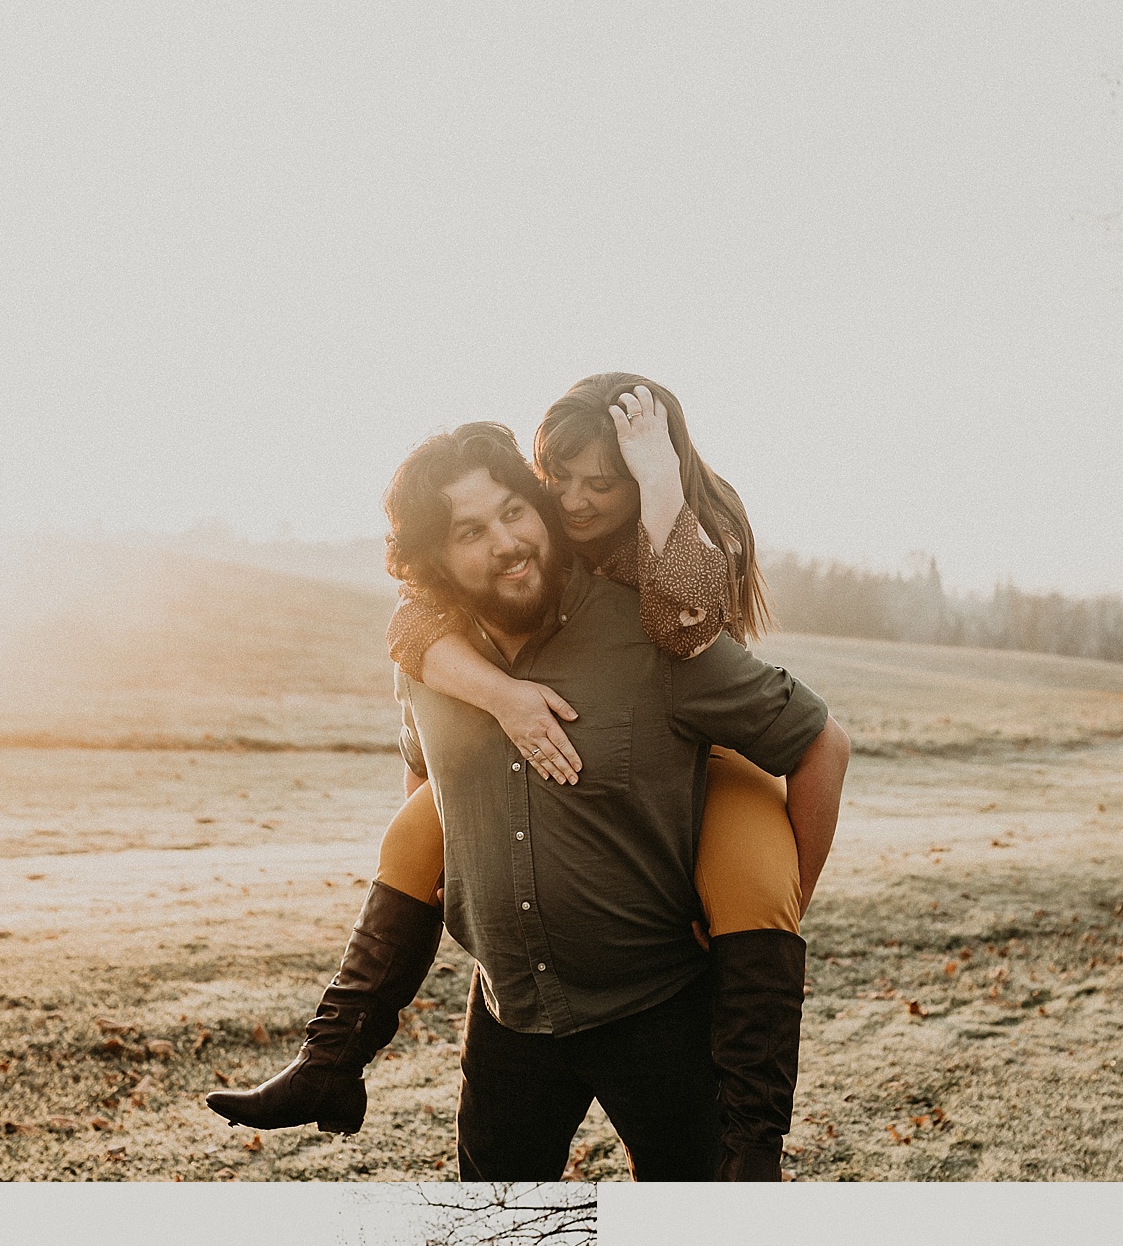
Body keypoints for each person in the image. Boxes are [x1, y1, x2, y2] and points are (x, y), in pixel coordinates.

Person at [207, 374, 848, 1177]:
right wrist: (491, 743)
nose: (521, 533)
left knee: (703, 1209)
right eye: (471, 531)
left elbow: (806, 730)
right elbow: (426, 771)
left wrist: (784, 902)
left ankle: (753, 1150)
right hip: (511, 1014)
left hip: (658, 1000)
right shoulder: (432, 651)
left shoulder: (659, 615)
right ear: (438, 559)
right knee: (491, 1243)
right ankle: (330, 1061)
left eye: (516, 511)